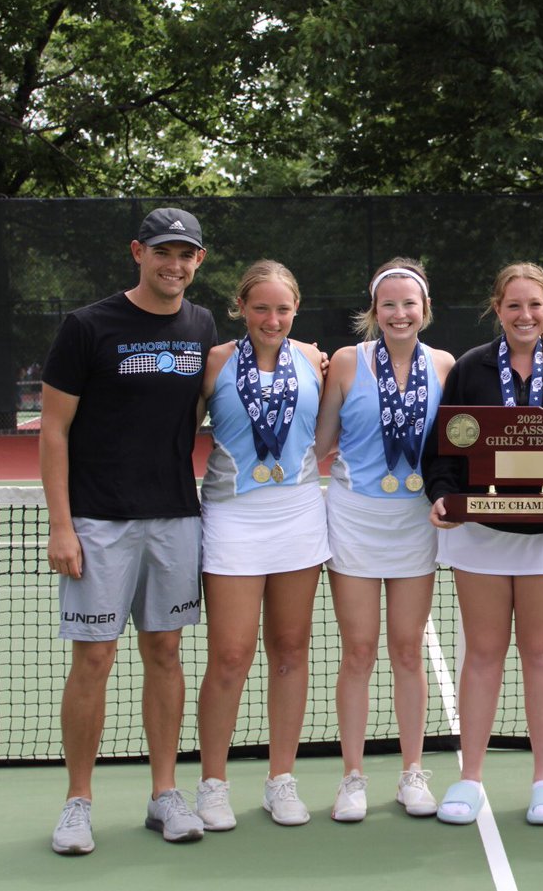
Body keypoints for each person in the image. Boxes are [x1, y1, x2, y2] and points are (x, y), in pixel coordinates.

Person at [41, 208, 217, 853]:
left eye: (187, 255)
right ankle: (77, 802)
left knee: (166, 652)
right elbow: (54, 430)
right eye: (164, 252)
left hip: (175, 516)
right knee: (94, 656)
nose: (175, 265)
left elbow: (208, 399)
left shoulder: (201, 324)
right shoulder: (88, 326)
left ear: (199, 261)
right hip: (97, 521)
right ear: (138, 252)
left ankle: (165, 794)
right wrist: (63, 525)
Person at [423, 262, 543, 826]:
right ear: (497, 308)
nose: (524, 315)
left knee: (540, 654)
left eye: (534, 304)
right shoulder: (469, 369)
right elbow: (444, 448)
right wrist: (441, 494)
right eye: (514, 305)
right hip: (481, 532)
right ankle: (469, 778)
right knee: (482, 655)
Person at [314, 259, 454, 822]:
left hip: (416, 522)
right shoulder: (348, 363)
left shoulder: (444, 364)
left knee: (405, 650)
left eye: (409, 304)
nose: (399, 313)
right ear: (374, 312)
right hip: (353, 517)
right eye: (388, 305)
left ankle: (412, 772)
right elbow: (321, 440)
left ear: (424, 310)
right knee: (358, 651)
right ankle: (352, 777)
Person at [193, 260, 329, 830]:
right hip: (230, 519)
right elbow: (171, 431)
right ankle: (212, 785)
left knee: (291, 650)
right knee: (229, 656)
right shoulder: (216, 362)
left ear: (295, 310)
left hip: (299, 516)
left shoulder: (316, 363)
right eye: (260, 308)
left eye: (282, 309)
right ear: (241, 310)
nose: (272, 319)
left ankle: (281, 780)